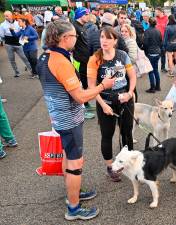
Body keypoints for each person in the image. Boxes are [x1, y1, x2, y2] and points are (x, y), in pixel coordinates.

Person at [36, 19, 116, 220]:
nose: (76, 38)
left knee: (68, 155)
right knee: (75, 161)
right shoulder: (61, 61)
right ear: (64, 38)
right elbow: (80, 96)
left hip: (59, 115)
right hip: (69, 119)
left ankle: (73, 192)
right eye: (74, 36)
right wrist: (102, 86)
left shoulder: (44, 57)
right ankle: (73, 208)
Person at [87, 27, 137, 182]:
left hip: (124, 99)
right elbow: (91, 87)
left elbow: (132, 76)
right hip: (105, 102)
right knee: (107, 135)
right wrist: (103, 105)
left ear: (115, 41)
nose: (104, 40)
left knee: (127, 133)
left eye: (108, 38)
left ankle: (128, 162)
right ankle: (110, 168)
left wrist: (129, 93)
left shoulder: (122, 55)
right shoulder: (94, 58)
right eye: (102, 37)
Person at [72, 7, 95, 119]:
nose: (88, 16)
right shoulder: (74, 27)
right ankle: (82, 110)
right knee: (80, 85)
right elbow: (71, 44)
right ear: (81, 15)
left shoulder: (82, 26)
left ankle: (86, 104)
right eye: (86, 15)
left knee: (85, 83)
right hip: (79, 61)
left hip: (85, 60)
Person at [0, 11, 33, 78]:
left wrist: (23, 42)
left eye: (7, 15)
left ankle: (32, 71)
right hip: (9, 44)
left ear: (11, 15)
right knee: (12, 59)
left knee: (24, 57)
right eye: (5, 16)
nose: (6, 17)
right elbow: (2, 35)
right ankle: (16, 72)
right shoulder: (2, 25)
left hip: (18, 44)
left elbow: (23, 31)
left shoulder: (18, 22)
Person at [143, 17, 162, 93]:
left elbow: (145, 43)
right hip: (157, 52)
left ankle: (152, 88)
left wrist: (146, 52)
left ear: (149, 23)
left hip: (151, 53)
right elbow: (161, 41)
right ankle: (158, 86)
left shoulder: (147, 31)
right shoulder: (158, 31)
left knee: (151, 71)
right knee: (156, 70)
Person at [155, 7, 169, 73]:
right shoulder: (155, 19)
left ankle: (163, 67)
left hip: (164, 40)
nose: (155, 13)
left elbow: (168, 29)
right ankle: (154, 67)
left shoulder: (166, 18)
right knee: (155, 54)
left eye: (156, 11)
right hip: (156, 40)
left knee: (163, 54)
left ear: (160, 12)